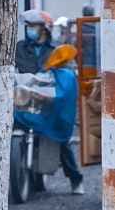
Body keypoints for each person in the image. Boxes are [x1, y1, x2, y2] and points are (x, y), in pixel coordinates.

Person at [14, 44, 85, 194]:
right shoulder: (22, 48)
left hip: (52, 109)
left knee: (62, 144)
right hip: (33, 101)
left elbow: (65, 91)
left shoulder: (60, 60)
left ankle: (75, 180)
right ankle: (30, 181)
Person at [15, 8, 54, 73]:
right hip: (24, 83)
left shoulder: (56, 48)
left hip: (48, 83)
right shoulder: (20, 47)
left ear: (44, 30)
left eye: (33, 26)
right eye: (28, 26)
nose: (29, 29)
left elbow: (67, 73)